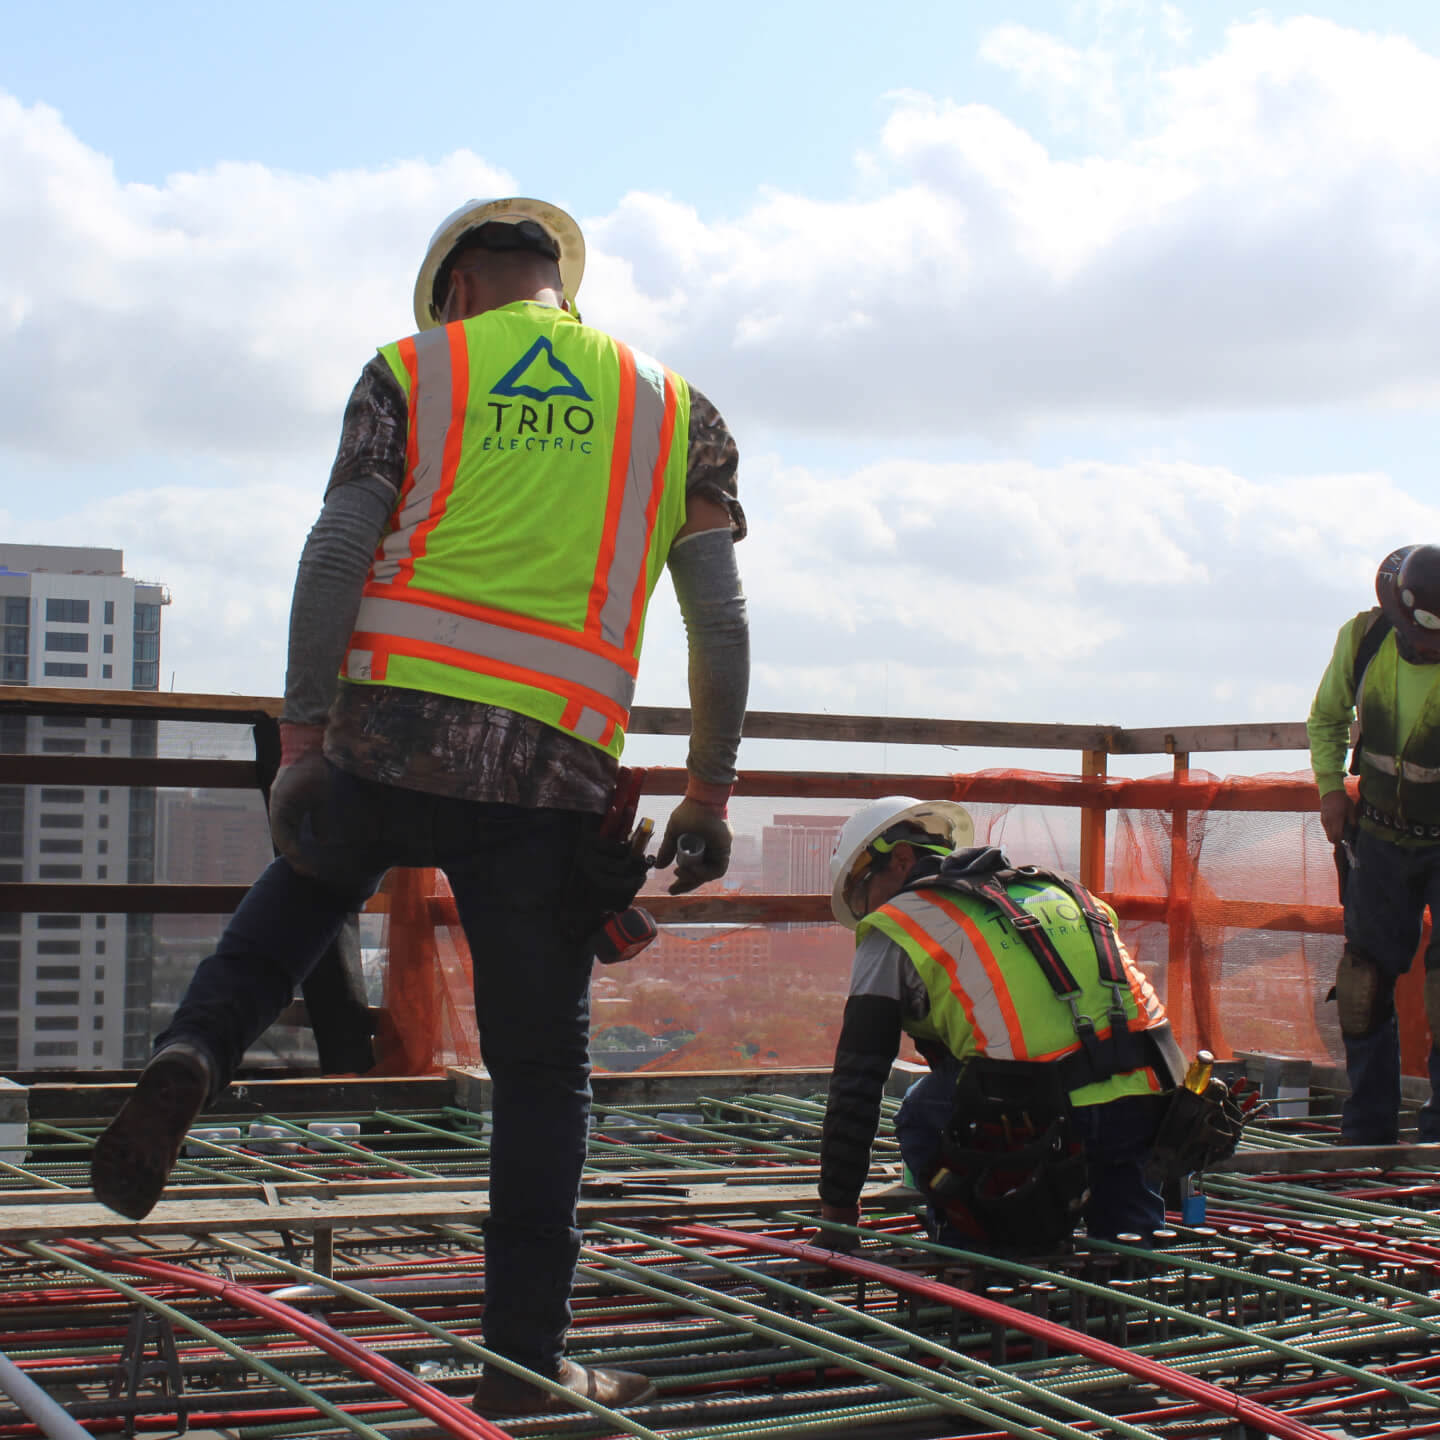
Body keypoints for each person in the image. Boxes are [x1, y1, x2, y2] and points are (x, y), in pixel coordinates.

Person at [91, 197, 749, 1418]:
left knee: (303, 888)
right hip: (549, 780)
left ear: (454, 291)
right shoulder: (678, 412)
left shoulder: (413, 371)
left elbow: (337, 552)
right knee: (542, 1077)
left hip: (386, 733)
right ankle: (523, 1369)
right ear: (565, 287)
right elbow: (719, 613)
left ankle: (194, 1050)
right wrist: (709, 786)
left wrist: (300, 743)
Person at [818, 797, 1185, 1253]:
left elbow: (858, 1081)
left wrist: (837, 1211)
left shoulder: (898, 925)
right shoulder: (1064, 890)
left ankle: (971, 1245)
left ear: (900, 858)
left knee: (921, 1113)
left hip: (1031, 1118)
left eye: (860, 891)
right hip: (1151, 1098)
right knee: (1130, 1244)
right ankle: (1137, 1279)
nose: (864, 907)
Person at [1309, 544, 1440, 1146]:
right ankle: (1368, 1133)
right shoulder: (1364, 639)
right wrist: (1332, 790)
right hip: (1381, 838)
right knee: (1363, 984)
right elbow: (1327, 717)